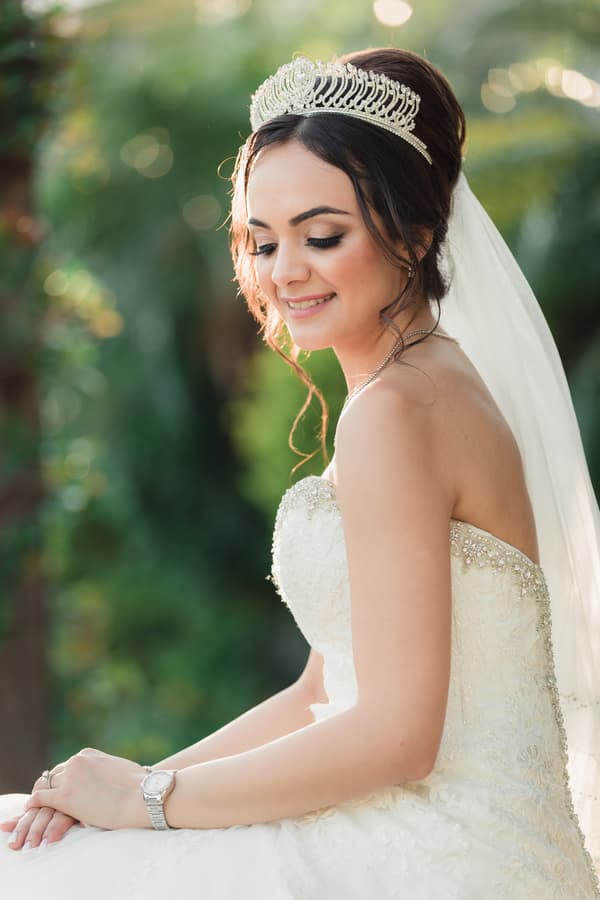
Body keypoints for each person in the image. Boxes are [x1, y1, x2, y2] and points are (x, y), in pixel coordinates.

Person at [1, 47, 599, 899]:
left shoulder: (398, 413)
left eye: (322, 237)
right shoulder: (423, 384)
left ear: (416, 232)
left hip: (435, 854)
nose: (284, 272)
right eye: (262, 240)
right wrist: (141, 790)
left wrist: (144, 802)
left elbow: (397, 738)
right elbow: (323, 686)